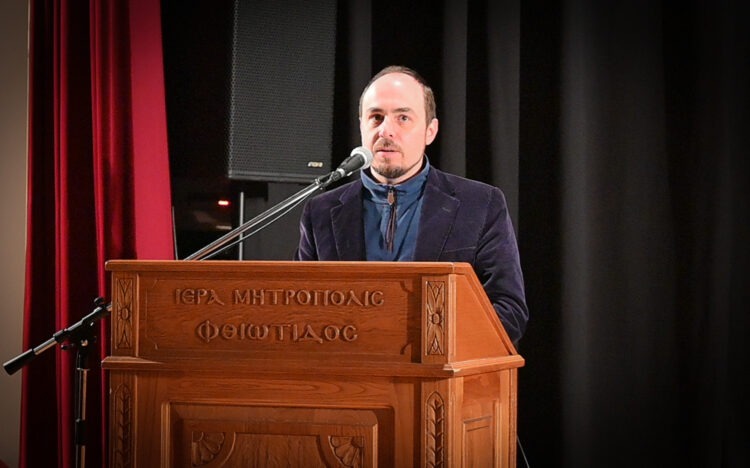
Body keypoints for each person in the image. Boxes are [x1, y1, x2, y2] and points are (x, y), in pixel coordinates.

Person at [294, 65, 528, 343]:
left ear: (430, 131)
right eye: (376, 117)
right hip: (348, 367)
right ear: (361, 126)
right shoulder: (320, 211)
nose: (386, 131)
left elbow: (509, 311)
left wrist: (426, 341)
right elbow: (299, 307)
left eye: (403, 118)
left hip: (438, 367)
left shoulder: (480, 204)